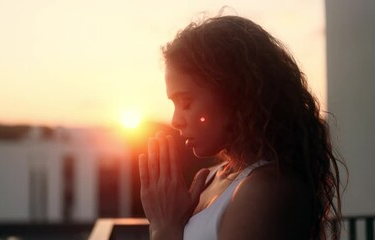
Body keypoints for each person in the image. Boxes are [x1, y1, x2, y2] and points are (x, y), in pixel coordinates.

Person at [138, 15, 344, 240]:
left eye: (186, 103)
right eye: (174, 103)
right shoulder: (211, 177)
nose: (176, 120)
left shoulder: (267, 189)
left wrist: (163, 228)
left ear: (235, 94)